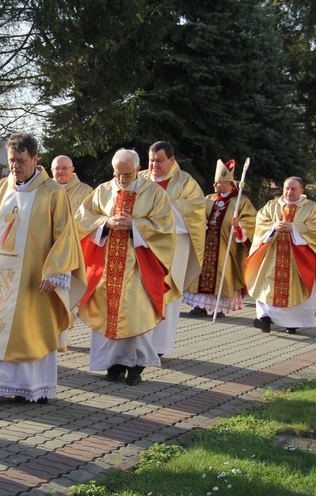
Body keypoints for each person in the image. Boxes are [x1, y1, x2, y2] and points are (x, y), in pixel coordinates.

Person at [0, 133, 86, 405]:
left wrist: (56, 273)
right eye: (12, 160)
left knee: (30, 333)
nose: (15, 166)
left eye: (22, 161)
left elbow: (65, 236)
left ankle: (32, 389)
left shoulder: (54, 194)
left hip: (34, 280)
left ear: (35, 159)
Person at [77, 149, 175, 386]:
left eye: (127, 174)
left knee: (135, 313)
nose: (121, 179)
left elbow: (164, 227)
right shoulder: (103, 190)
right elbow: (82, 219)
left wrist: (135, 224)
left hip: (138, 267)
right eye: (117, 174)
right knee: (106, 312)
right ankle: (113, 364)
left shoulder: (154, 193)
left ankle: (136, 365)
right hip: (107, 266)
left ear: (138, 170)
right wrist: (105, 223)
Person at [246, 177, 316, 334]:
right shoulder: (272, 206)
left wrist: (294, 228)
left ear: (302, 190)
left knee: (296, 288)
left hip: (298, 260)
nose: (289, 192)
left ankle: (292, 324)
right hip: (273, 257)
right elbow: (261, 221)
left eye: (293, 189)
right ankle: (265, 319)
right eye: (287, 188)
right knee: (267, 285)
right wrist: (274, 227)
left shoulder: (312, 209)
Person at [140, 141, 205, 356]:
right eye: (151, 161)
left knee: (168, 295)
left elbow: (195, 212)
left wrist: (161, 210)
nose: (154, 166)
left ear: (172, 160)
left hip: (173, 248)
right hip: (143, 248)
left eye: (159, 161)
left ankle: (159, 347)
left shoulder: (186, 182)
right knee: (141, 294)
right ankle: (138, 343)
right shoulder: (139, 179)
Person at [184, 160, 256, 317]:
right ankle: (200, 306)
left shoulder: (241, 202)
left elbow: (251, 225)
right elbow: (196, 214)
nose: (215, 186)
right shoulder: (209, 199)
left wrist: (239, 226)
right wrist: (200, 221)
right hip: (206, 246)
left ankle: (220, 307)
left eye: (218, 183)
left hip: (226, 249)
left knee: (223, 275)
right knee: (202, 273)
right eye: (215, 183)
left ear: (228, 183)